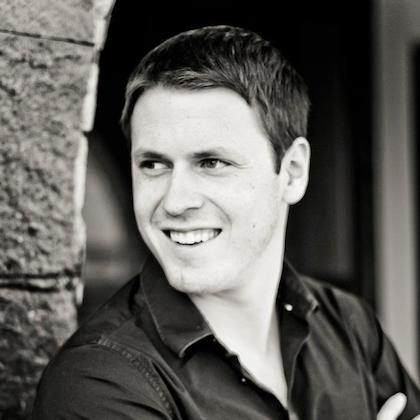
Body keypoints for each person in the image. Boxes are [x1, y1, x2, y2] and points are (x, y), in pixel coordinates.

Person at [33, 25, 420, 420]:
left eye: (212, 163)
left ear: (292, 172)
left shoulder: (349, 327)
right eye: (153, 164)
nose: (175, 201)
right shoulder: (98, 382)